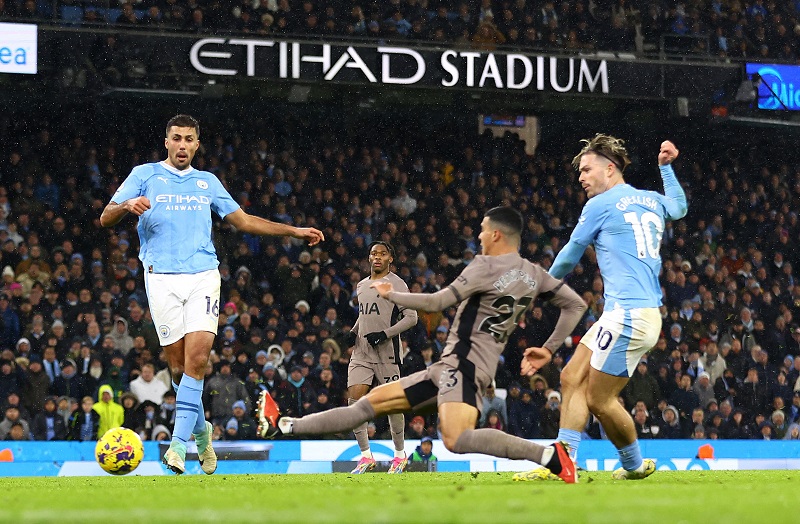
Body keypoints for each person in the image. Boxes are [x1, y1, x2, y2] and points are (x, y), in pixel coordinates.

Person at [258, 207, 586, 483]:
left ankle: (548, 456)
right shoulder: (535, 274)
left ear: (498, 235)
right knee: (368, 405)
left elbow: (437, 301)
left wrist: (393, 295)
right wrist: (549, 348)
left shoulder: (485, 265)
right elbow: (576, 306)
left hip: (462, 366)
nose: (479, 235)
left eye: (483, 230)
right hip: (456, 368)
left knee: (457, 439)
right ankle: (284, 425)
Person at [100, 114, 323, 475]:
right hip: (160, 279)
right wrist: (126, 206)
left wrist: (293, 231)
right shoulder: (144, 175)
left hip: (204, 275)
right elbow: (104, 218)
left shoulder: (207, 182)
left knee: (198, 361)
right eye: (177, 138)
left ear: (197, 144)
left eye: (189, 139)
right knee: (177, 368)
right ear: (167, 142)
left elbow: (245, 220)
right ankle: (202, 436)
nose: (183, 144)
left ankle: (177, 447)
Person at [517, 135, 687, 481]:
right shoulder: (650, 199)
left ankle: (634, 465)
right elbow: (680, 208)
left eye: (586, 169)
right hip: (629, 313)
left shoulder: (601, 204)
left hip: (629, 315)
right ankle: (565, 462)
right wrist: (666, 169)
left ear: (610, 169)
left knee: (599, 400)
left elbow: (569, 254)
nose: (581, 177)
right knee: (570, 377)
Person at [341, 241, 419, 474]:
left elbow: (411, 317)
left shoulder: (397, 284)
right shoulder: (362, 285)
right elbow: (365, 316)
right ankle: (366, 456)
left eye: (383, 254)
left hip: (387, 354)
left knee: (393, 404)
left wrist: (385, 334)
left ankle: (399, 455)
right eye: (374, 253)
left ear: (390, 259)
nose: (377, 257)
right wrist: (353, 332)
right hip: (361, 352)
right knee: (354, 401)